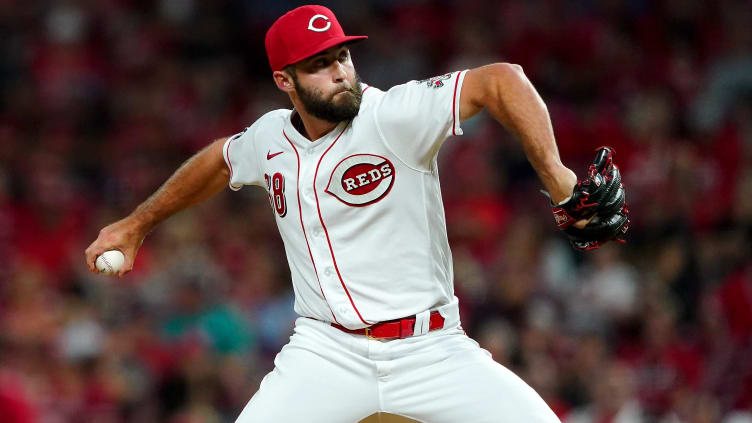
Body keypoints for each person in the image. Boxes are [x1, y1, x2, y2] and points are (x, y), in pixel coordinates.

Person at [86, 5, 583, 422]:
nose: (341, 71)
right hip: (326, 353)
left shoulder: (393, 116)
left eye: (342, 55)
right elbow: (220, 161)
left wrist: (558, 178)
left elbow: (500, 81)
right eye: (319, 64)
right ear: (285, 80)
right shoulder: (270, 136)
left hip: (430, 348)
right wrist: (136, 225)